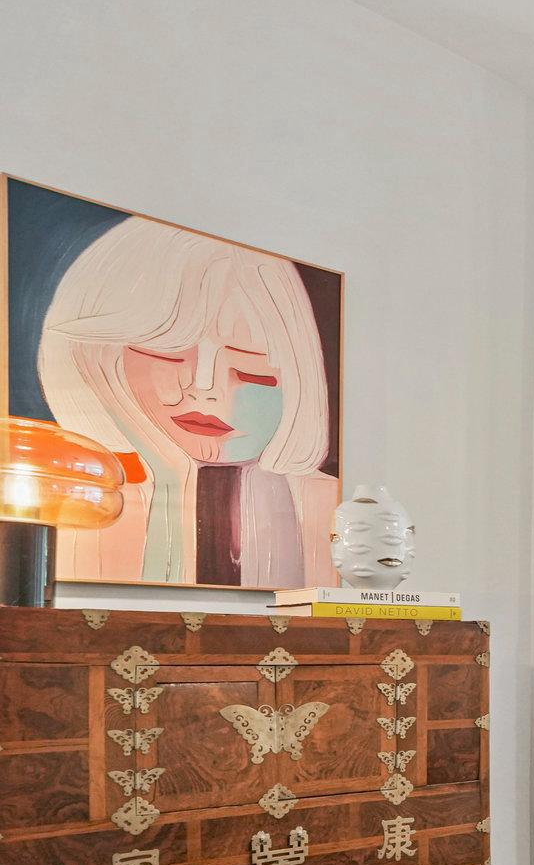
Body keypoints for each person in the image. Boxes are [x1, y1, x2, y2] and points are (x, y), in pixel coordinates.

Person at [37, 215, 338, 587]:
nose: (203, 385)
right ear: (101, 360)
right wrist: (166, 473)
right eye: (168, 354)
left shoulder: (333, 513)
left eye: (249, 367)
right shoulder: (81, 514)